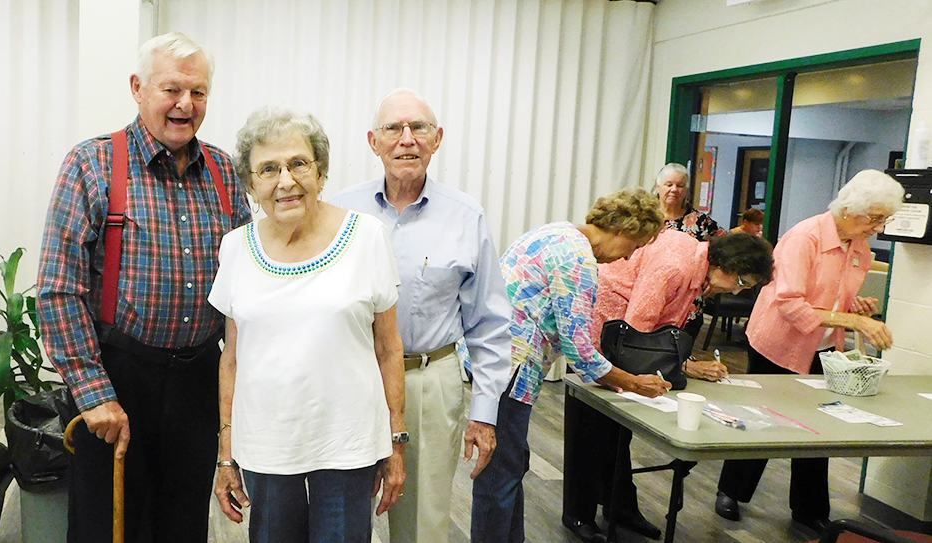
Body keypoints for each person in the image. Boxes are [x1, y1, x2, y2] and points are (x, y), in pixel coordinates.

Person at [36, 33, 252, 542]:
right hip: (118, 380)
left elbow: (248, 284)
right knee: (105, 528)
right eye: (171, 89)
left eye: (198, 92)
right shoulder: (92, 164)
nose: (185, 104)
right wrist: (93, 394)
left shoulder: (223, 171)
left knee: (182, 527)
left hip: (198, 380)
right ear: (137, 88)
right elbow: (58, 289)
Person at [210, 106, 406, 542]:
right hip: (265, 445)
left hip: (347, 444)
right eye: (268, 169)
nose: (286, 180)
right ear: (251, 184)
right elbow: (233, 360)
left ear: (320, 171)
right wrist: (226, 454)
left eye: (299, 163)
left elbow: (389, 348)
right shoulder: (236, 248)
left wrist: (396, 440)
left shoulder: (367, 236)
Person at [329, 88, 512, 543]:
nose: (406, 139)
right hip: (353, 379)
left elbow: (489, 324)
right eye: (393, 128)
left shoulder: (466, 216)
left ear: (437, 138)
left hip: (430, 383)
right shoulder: (340, 211)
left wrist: (485, 415)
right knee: (341, 513)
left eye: (419, 128)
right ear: (374, 142)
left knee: (421, 522)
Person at [472, 188, 673, 543]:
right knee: (499, 478)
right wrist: (635, 383)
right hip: (510, 370)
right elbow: (580, 352)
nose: (629, 257)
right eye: (635, 246)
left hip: (490, 360)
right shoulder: (578, 262)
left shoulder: (555, 232)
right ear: (623, 229)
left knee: (511, 467)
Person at [714, 169, 902, 536]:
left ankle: (809, 510)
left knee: (819, 429)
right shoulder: (805, 237)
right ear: (849, 208)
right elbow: (788, 302)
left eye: (885, 219)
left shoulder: (858, 245)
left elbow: (833, 294)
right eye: (875, 217)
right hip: (778, 342)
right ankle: (730, 492)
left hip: (821, 346)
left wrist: (854, 306)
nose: (879, 227)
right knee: (761, 422)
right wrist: (850, 319)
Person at [562, 230, 775, 543]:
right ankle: (577, 515)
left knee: (617, 436)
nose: (739, 292)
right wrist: (639, 380)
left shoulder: (698, 266)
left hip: (623, 343)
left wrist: (687, 366)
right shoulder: (676, 266)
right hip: (600, 342)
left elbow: (661, 332)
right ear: (727, 268)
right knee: (590, 433)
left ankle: (619, 507)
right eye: (743, 284)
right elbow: (638, 329)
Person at [655, 162, 729, 341]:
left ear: (686, 191)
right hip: (650, 295)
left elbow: (728, 248)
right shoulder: (644, 217)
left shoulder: (701, 221)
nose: (674, 190)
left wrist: (715, 278)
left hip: (688, 303)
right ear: (658, 187)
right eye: (669, 184)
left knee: (679, 353)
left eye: (680, 186)